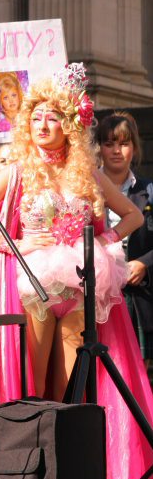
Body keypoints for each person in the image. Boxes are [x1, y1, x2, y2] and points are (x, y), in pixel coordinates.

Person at [0, 64, 153, 479]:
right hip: (35, 290)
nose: (44, 125)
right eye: (37, 117)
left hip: (80, 290)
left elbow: (134, 215)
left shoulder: (87, 174)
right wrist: (14, 246)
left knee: (74, 393)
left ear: (69, 124)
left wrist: (104, 239)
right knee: (33, 387)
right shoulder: (18, 171)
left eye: (54, 117)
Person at [97, 111, 153, 369]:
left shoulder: (149, 190)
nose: (116, 151)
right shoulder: (84, 186)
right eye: (109, 144)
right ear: (99, 148)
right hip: (97, 296)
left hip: (138, 296)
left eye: (124, 143)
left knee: (139, 369)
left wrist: (144, 264)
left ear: (134, 147)